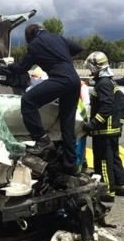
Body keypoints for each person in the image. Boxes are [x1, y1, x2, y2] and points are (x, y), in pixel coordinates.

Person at [8, 23, 83, 176]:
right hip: (75, 80)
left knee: (28, 101)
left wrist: (9, 66)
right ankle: (71, 166)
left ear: (30, 36)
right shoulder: (57, 37)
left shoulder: (35, 45)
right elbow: (78, 48)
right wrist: (62, 56)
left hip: (60, 79)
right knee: (67, 125)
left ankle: (41, 139)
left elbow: (22, 68)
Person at [84, 52, 124, 202]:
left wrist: (92, 124)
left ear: (97, 67)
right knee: (114, 158)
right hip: (111, 129)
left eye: (91, 68)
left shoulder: (103, 84)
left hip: (105, 130)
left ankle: (107, 191)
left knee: (104, 161)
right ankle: (120, 184)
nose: (90, 71)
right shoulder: (109, 82)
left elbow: (106, 106)